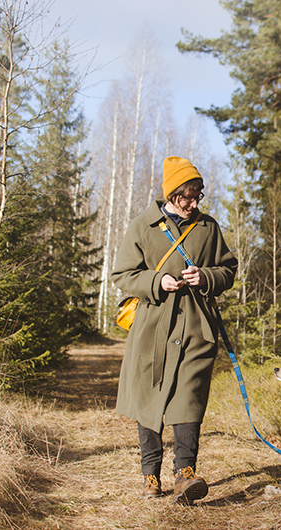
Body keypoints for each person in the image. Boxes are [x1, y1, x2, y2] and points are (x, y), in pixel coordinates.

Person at [111, 156, 238, 504]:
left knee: (189, 398)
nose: (195, 202)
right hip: (152, 328)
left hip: (197, 327)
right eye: (188, 196)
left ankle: (185, 474)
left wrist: (207, 277)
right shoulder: (142, 226)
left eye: (198, 195)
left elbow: (228, 269)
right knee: (149, 400)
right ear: (172, 193)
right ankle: (150, 474)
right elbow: (122, 274)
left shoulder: (209, 227)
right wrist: (156, 281)